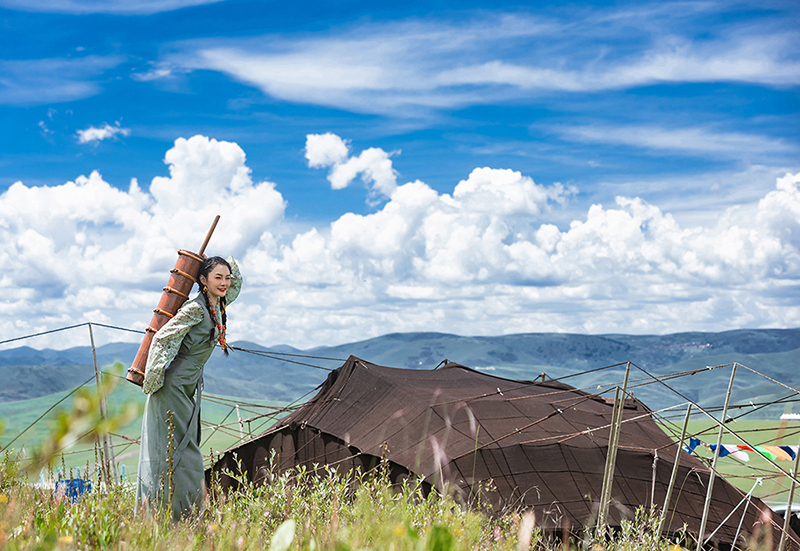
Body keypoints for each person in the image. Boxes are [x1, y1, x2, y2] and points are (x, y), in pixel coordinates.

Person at [136, 255, 242, 521]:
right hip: (173, 386)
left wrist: (222, 263)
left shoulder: (217, 305)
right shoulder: (196, 308)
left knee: (184, 448)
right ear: (203, 281)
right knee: (180, 453)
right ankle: (176, 517)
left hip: (189, 385)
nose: (225, 283)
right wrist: (153, 381)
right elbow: (163, 338)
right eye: (217, 277)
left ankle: (181, 515)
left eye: (226, 277)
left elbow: (237, 284)